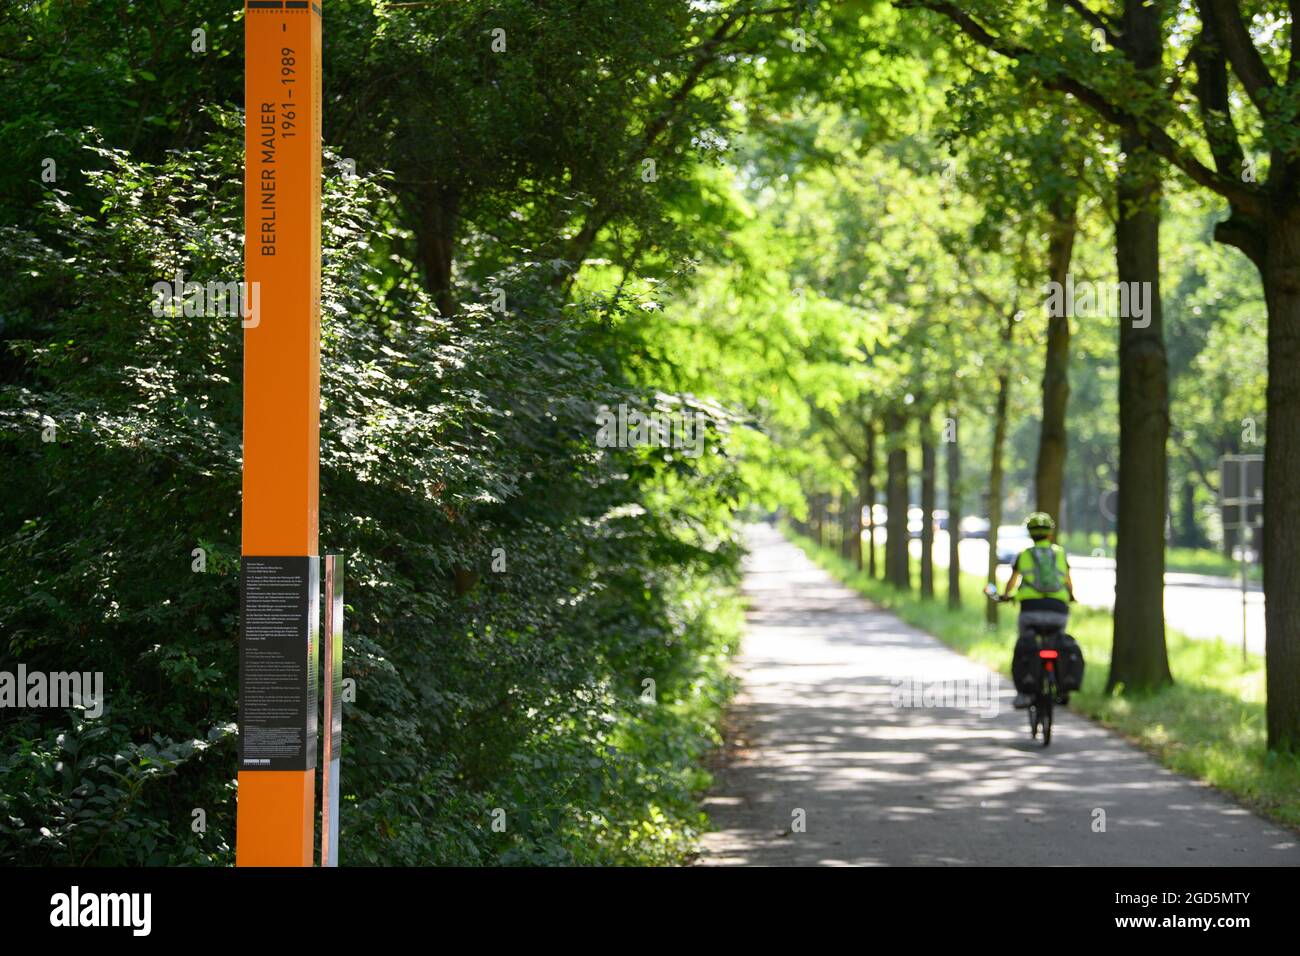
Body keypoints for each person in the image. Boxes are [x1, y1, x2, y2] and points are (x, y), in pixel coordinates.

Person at [996, 512, 1075, 709]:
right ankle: (1061, 686)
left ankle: (1024, 693)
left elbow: (1012, 581)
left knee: (1024, 646)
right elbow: (1068, 580)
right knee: (1058, 641)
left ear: (1030, 535)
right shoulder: (1060, 553)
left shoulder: (1024, 555)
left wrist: (1006, 596)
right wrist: (1071, 596)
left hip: (1030, 610)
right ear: (1050, 535)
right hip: (1058, 610)